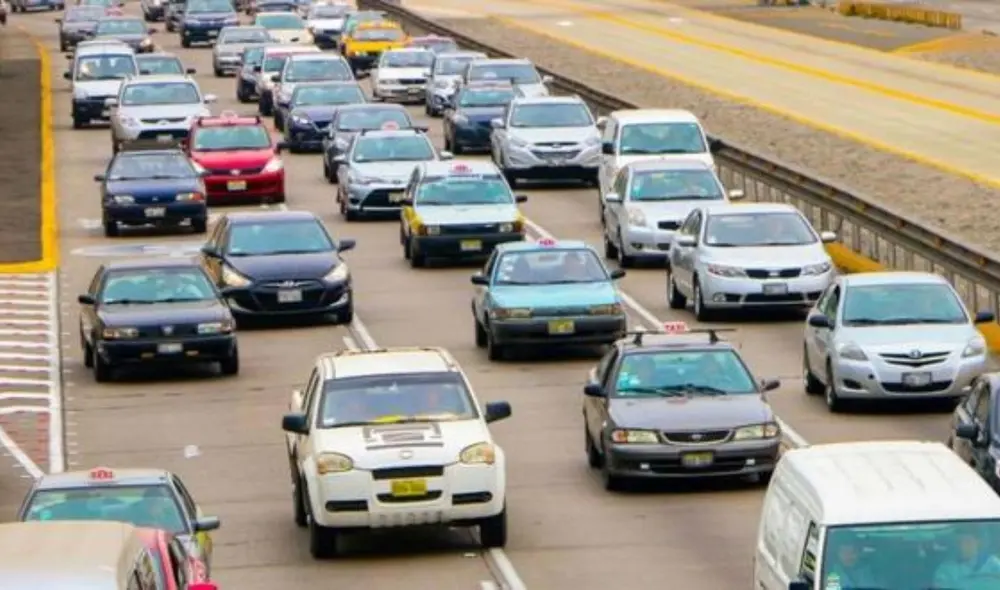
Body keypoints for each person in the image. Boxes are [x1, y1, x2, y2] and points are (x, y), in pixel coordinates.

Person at [933, 526, 1000, 588]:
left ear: (978, 542)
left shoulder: (993, 564)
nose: (963, 546)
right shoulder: (945, 570)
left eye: (968, 542)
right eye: (960, 542)